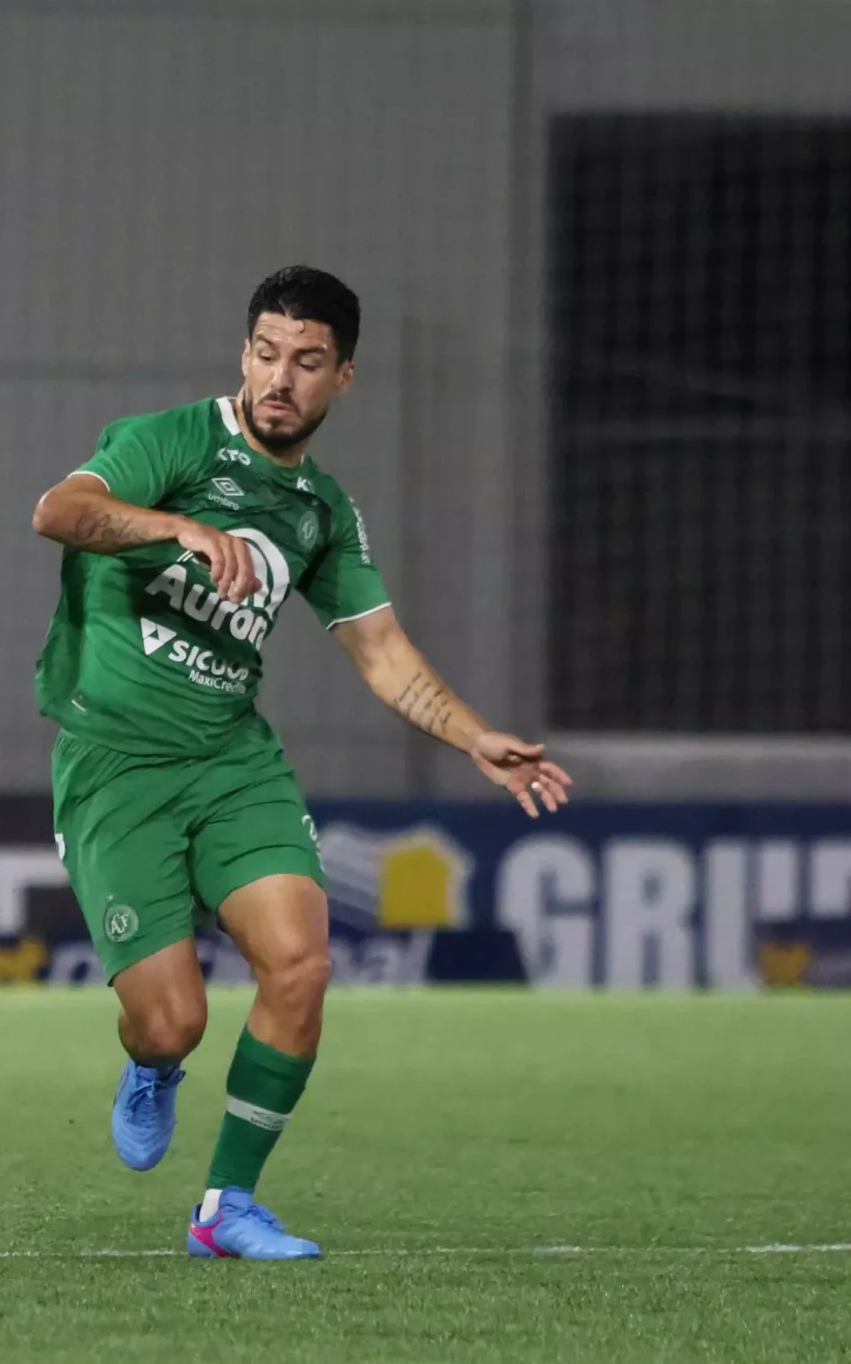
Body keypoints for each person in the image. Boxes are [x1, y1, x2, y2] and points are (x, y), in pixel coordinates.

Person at [30, 266, 572, 1260]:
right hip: (114, 763)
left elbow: (378, 649)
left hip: (232, 760)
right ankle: (152, 1064)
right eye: (265, 353)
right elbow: (58, 511)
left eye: (306, 361)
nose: (280, 377)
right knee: (169, 1021)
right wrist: (177, 527)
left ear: (341, 378)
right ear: (243, 354)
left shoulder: (320, 511)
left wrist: (471, 736)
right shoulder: (169, 441)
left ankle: (224, 1205)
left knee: (300, 964)